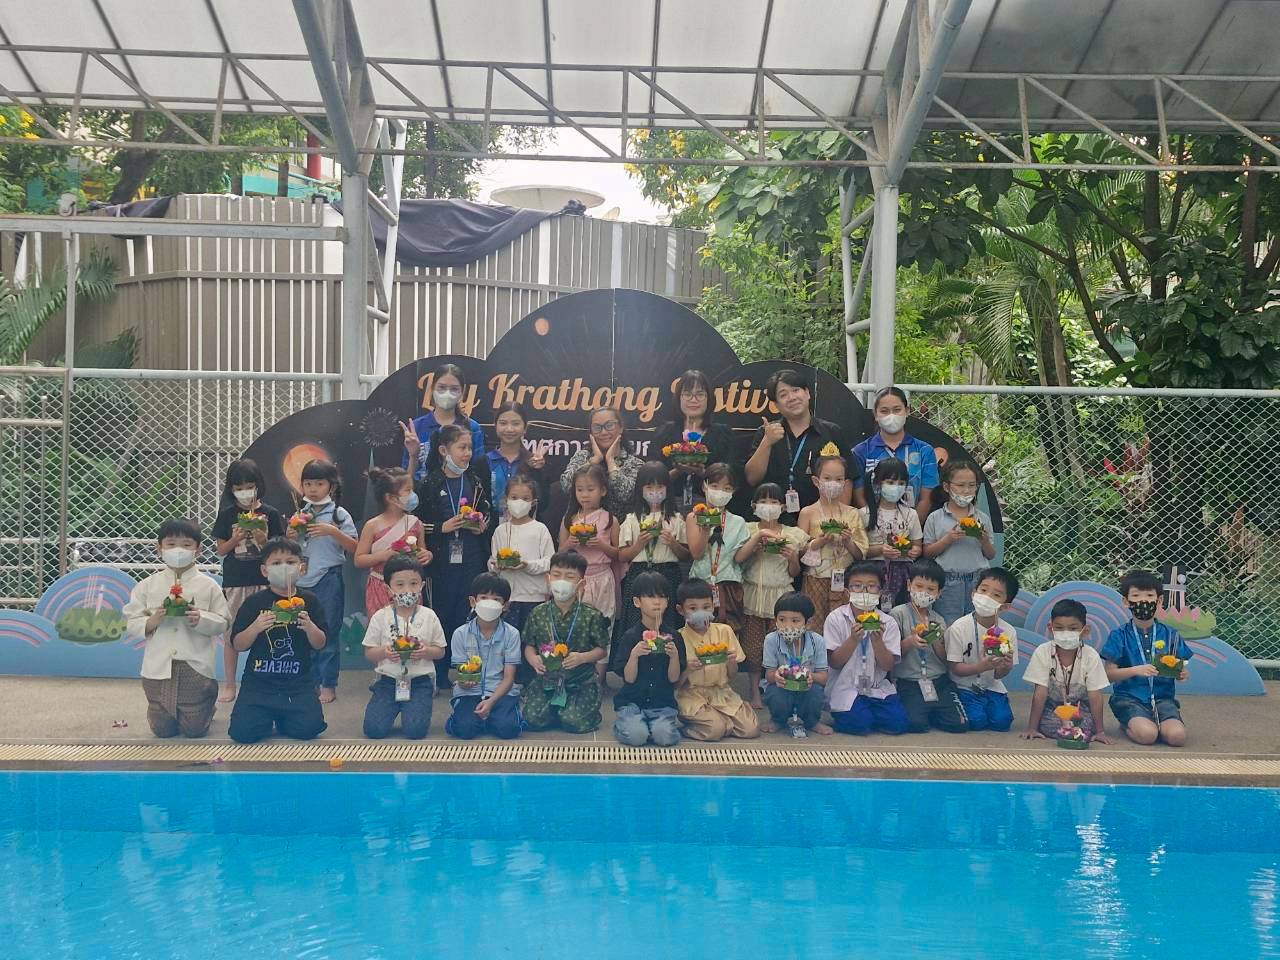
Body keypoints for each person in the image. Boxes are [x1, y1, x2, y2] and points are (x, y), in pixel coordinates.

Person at [122, 519, 229, 738]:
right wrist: (152, 621)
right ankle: (165, 714)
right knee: (162, 730)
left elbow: (224, 621)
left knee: (194, 730)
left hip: (195, 664)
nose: (178, 550)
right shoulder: (148, 585)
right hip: (157, 664)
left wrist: (201, 618)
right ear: (159, 548)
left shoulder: (208, 585)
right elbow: (131, 620)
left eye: (186, 544)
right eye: (171, 544)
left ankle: (206, 708)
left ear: (198, 549)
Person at [416, 423, 496, 689]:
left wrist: (481, 523)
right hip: (440, 562)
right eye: (462, 447)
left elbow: (487, 512)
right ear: (443, 450)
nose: (467, 453)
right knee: (441, 613)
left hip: (472, 557)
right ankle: (439, 672)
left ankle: (468, 670)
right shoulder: (429, 484)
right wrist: (442, 527)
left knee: (469, 612)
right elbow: (416, 524)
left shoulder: (474, 480)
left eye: (470, 448)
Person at [227, 537, 328, 743]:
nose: (284, 567)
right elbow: (238, 644)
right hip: (258, 685)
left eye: (290, 562)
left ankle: (283, 718)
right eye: (276, 563)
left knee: (308, 730)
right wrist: (256, 627)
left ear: (302, 568)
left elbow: (321, 643)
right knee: (243, 734)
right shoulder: (254, 602)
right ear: (265, 571)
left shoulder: (309, 601)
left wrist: (310, 627)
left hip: (297, 685)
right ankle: (265, 717)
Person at [743, 368, 861, 526]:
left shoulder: (831, 432)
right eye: (783, 395)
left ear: (807, 393)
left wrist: (838, 519)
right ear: (776, 404)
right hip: (775, 523)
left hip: (820, 522)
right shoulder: (767, 433)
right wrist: (767, 442)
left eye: (796, 390)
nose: (792, 398)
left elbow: (847, 479)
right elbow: (752, 478)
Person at [211, 458, 285, 703]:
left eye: (249, 486)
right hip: (236, 581)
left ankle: (269, 682)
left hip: (267, 581)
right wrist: (236, 538)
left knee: (271, 630)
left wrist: (263, 539)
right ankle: (230, 684)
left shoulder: (270, 514)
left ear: (258, 486)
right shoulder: (227, 515)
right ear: (231, 489)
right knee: (232, 632)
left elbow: (279, 551)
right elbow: (221, 550)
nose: (245, 492)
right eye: (239, 487)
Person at [288, 459, 357, 704]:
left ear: (331, 486)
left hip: (328, 578)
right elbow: (291, 549)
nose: (313, 489)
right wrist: (290, 535)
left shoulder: (339, 514)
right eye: (308, 484)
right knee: (303, 632)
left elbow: (355, 547)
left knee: (328, 631)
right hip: (301, 579)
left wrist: (333, 531)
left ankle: (328, 684)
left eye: (319, 483)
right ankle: (311, 683)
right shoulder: (299, 514)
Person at [521, 551, 610, 733]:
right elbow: (529, 645)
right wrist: (533, 659)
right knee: (532, 719)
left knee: (574, 722)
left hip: (580, 681)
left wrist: (583, 657)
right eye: (556, 575)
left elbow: (602, 650)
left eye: (570, 577)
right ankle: (556, 709)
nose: (561, 581)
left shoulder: (591, 615)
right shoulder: (538, 613)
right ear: (548, 579)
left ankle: (571, 711)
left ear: (581, 583)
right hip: (547, 680)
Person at [1101, 569, 1192, 747]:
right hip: (1129, 698)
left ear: (1159, 600)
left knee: (1177, 737)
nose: (1143, 600)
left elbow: (1180, 667)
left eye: (1149, 595)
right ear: (1126, 601)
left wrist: (1182, 674)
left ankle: (1156, 722)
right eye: (1136, 595)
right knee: (1148, 736)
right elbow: (1109, 674)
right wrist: (1136, 670)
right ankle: (1127, 724)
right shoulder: (1119, 635)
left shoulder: (1171, 635)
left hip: (1163, 699)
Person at [360, 556, 446, 739]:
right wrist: (384, 652)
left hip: (420, 682)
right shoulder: (380, 616)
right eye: (400, 585)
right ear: (388, 588)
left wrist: (426, 651)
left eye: (413, 583)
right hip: (388, 681)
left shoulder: (429, 616)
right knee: (373, 730)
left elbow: (440, 651)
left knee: (415, 732)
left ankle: (415, 708)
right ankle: (389, 705)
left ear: (422, 586)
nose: (408, 590)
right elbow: (369, 652)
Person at [739, 483, 807, 709]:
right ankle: (754, 692)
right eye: (763, 501)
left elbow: (794, 573)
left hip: (781, 594)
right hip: (753, 593)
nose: (768, 506)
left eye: (774, 502)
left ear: (783, 507)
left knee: (783, 644)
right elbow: (739, 559)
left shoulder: (792, 534)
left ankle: (780, 690)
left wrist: (792, 558)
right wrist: (755, 546)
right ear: (754, 506)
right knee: (753, 646)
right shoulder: (747, 529)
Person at [823, 561, 909, 736]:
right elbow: (834, 662)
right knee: (860, 724)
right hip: (846, 686)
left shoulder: (888, 622)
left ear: (880, 592)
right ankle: (860, 714)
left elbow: (888, 666)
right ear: (847, 592)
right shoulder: (836, 618)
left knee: (899, 724)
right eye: (857, 586)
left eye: (871, 586)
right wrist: (853, 640)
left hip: (876, 686)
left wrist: (878, 642)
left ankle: (868, 712)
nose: (864, 591)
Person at [674, 579, 759, 741]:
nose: (701, 612)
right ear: (680, 610)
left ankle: (722, 721)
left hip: (722, 693)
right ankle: (691, 728)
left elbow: (732, 676)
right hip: (692, 696)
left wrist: (731, 662)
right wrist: (688, 670)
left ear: (713, 606)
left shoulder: (724, 631)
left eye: (706, 607)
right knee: (715, 730)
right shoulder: (678, 638)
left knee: (751, 729)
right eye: (693, 608)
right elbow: (675, 684)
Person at [889, 559, 967, 734]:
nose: (923, 592)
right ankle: (925, 710)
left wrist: (936, 640)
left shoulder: (938, 619)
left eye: (930, 589)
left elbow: (945, 659)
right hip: (909, 681)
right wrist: (910, 641)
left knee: (959, 724)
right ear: (909, 585)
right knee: (915, 724)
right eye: (919, 586)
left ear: (939, 593)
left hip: (938, 680)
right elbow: (892, 654)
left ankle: (932, 709)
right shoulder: (898, 614)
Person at [1021, 598, 1112, 744]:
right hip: (1053, 707)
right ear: (1050, 628)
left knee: (1085, 726)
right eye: (1059, 628)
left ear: (1085, 630)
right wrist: (1032, 728)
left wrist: (1100, 731)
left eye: (1073, 629)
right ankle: (1068, 732)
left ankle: (1074, 731)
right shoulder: (1042, 652)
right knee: (1050, 725)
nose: (1065, 633)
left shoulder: (1091, 655)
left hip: (1080, 707)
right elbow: (1040, 693)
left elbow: (1095, 696)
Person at [612, 572, 687, 747]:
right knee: (637, 737)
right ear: (637, 602)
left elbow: (674, 679)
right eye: (650, 596)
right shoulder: (630, 636)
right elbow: (629, 679)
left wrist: (674, 657)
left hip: (662, 704)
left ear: (668, 601)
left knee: (665, 737)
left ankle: (654, 727)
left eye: (662, 597)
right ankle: (626, 726)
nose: (657, 602)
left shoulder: (674, 636)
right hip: (632, 703)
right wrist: (634, 655)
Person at [616, 461, 689, 639]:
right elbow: (622, 555)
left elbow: (686, 555)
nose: (655, 491)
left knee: (668, 620)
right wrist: (639, 544)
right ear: (640, 489)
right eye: (649, 487)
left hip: (669, 573)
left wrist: (672, 543)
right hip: (639, 573)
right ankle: (634, 652)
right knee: (636, 620)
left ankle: (669, 651)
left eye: (660, 487)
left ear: (667, 489)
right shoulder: (632, 519)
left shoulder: (676, 519)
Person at [445, 573, 522, 740]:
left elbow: (509, 678)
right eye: (484, 597)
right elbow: (460, 672)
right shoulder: (460, 633)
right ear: (473, 602)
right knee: (465, 730)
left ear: (505, 605)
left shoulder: (512, 634)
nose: (489, 602)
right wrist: (464, 682)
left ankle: (495, 717)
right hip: (469, 693)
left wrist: (491, 701)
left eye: (496, 599)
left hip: (500, 692)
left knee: (508, 729)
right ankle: (469, 720)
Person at [945, 566, 1020, 732]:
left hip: (991, 686)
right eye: (983, 590)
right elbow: (955, 668)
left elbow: (999, 675)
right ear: (973, 593)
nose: (987, 598)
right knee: (976, 721)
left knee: (1002, 723)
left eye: (996, 595)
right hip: (964, 686)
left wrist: (1005, 666)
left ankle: (989, 705)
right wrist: (982, 666)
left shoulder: (1008, 632)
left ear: (1005, 607)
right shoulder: (959, 627)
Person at [797, 454, 868, 629]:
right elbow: (799, 550)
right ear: (816, 481)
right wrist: (819, 542)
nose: (833, 483)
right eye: (827, 478)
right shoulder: (807, 512)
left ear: (845, 483)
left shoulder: (852, 513)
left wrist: (848, 541)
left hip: (845, 580)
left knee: (844, 626)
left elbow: (861, 554)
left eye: (838, 479)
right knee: (814, 625)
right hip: (815, 578)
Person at [922, 459, 996, 625]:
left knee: (977, 624)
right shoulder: (935, 517)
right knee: (948, 624)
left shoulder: (982, 518)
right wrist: (948, 539)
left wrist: (983, 540)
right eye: (961, 485)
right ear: (947, 487)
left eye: (972, 485)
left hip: (978, 580)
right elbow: (927, 552)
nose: (966, 490)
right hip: (947, 579)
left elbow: (991, 554)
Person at [653, 369, 738, 511]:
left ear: (709, 398)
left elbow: (731, 477)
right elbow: (652, 478)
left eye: (700, 394)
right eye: (687, 394)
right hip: (668, 508)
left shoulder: (723, 434)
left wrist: (703, 472)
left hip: (710, 509)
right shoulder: (664, 432)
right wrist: (677, 470)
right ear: (679, 398)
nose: (693, 400)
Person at [851, 385, 939, 522]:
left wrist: (910, 527)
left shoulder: (924, 451)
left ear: (907, 411)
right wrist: (876, 525)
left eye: (897, 410)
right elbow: (859, 496)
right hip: (873, 526)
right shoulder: (860, 451)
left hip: (912, 527)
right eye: (884, 411)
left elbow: (927, 498)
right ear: (875, 414)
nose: (891, 416)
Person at [353, 466, 430, 616]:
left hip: (409, 587)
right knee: (382, 627)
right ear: (391, 498)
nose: (412, 495)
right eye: (408, 491)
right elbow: (359, 559)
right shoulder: (372, 525)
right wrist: (384, 555)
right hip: (380, 586)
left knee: (409, 626)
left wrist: (427, 555)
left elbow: (422, 551)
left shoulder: (416, 523)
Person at [686, 462, 751, 637]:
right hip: (700, 584)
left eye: (726, 488)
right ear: (704, 486)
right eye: (715, 486)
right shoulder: (694, 517)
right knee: (698, 633)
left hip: (728, 586)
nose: (720, 492)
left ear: (733, 491)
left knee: (727, 635)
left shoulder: (738, 522)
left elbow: (739, 558)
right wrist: (705, 530)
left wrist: (758, 538)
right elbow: (696, 554)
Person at [488, 473, 555, 632]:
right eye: (514, 497)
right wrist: (496, 566)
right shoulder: (500, 531)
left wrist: (527, 565)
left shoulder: (540, 529)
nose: (519, 502)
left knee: (532, 640)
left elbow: (550, 562)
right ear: (506, 499)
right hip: (507, 599)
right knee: (508, 640)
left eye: (525, 498)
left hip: (534, 597)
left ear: (533, 502)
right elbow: (492, 561)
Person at [400, 362, 486, 482]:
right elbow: (405, 481)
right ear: (432, 389)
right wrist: (413, 456)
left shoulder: (472, 428)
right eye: (442, 387)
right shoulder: (416, 427)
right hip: (423, 493)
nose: (447, 393)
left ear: (462, 392)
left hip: (462, 493)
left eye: (454, 389)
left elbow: (480, 473)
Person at [559, 462, 619, 633]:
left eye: (590, 490)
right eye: (580, 490)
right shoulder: (569, 520)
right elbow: (559, 553)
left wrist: (601, 545)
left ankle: (602, 651)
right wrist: (570, 543)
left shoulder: (610, 520)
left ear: (603, 491)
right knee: (575, 625)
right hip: (576, 577)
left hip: (602, 578)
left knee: (602, 623)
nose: (584, 495)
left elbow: (618, 554)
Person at [761, 592, 832, 735]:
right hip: (782, 686)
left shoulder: (817, 641)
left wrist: (809, 676)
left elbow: (823, 678)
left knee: (815, 692)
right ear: (775, 620)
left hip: (807, 687)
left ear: (807, 623)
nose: (788, 626)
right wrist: (777, 676)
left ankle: (812, 722)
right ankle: (777, 720)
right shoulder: (771, 639)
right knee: (775, 693)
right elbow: (769, 674)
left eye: (795, 621)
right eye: (782, 619)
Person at [860, 457, 924, 611]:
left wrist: (914, 551)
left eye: (901, 483)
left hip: (904, 571)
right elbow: (859, 550)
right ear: (878, 483)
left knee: (901, 611)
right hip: (873, 571)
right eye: (890, 482)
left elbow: (918, 545)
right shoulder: (864, 513)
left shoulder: (911, 514)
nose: (896, 487)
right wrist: (880, 549)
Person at [559, 405, 641, 518]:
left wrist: (610, 461)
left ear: (621, 428)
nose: (603, 432)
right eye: (597, 427)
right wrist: (594, 460)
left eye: (609, 425)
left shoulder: (634, 463)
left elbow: (626, 496)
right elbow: (566, 486)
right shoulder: (583, 456)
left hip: (620, 527)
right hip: (581, 525)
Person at [487, 401, 547, 520]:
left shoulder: (534, 462)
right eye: (503, 423)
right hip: (491, 529)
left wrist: (537, 471)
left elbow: (543, 503)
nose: (509, 429)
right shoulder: (484, 462)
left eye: (515, 424)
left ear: (525, 428)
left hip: (526, 527)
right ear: (495, 425)